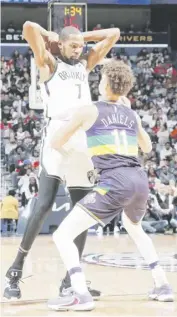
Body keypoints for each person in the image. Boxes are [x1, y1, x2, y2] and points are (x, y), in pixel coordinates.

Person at [4, 22, 120, 299]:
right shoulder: (49, 64)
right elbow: (28, 27)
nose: (79, 49)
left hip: (82, 139)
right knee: (44, 204)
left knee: (82, 211)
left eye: (81, 46)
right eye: (73, 45)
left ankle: (71, 279)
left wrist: (81, 36)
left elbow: (113, 34)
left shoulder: (84, 65)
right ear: (61, 45)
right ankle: (15, 270)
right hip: (57, 136)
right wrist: (51, 36)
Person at [47, 60, 174, 311]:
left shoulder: (87, 110)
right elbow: (147, 148)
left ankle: (80, 294)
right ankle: (162, 284)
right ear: (125, 89)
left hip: (115, 181)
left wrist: (75, 151)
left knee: (61, 235)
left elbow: (54, 141)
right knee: (134, 227)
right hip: (139, 180)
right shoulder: (130, 113)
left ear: (104, 84)